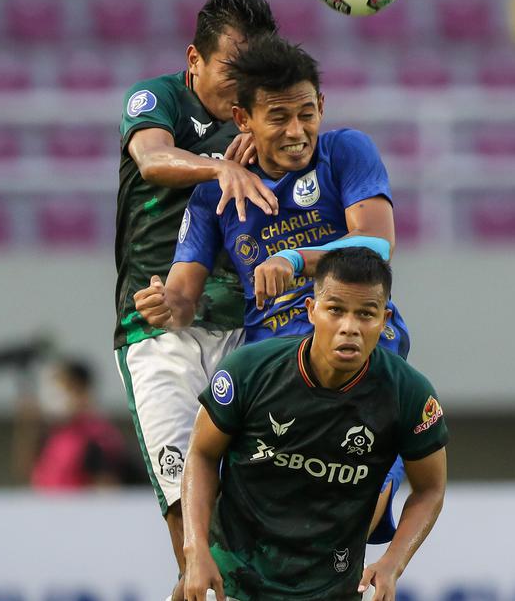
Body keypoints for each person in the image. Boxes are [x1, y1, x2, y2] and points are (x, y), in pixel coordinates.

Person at [133, 34, 410, 543]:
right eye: (279, 117)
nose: (297, 131)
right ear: (244, 120)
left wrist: (294, 259)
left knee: (358, 496)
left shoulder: (345, 152)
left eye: (307, 113)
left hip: (357, 344)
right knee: (246, 520)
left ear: (322, 105)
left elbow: (377, 247)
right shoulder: (213, 193)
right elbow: (182, 298)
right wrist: (162, 304)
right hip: (271, 365)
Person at [112, 0, 279, 587]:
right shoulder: (157, 98)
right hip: (160, 331)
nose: (243, 86)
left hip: (246, 331)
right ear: (195, 60)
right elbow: (153, 160)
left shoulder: (263, 118)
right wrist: (221, 165)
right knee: (192, 530)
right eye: (232, 69)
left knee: (250, 523)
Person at [183, 248, 448, 601]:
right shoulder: (250, 370)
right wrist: (195, 549)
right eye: (335, 310)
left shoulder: (408, 394)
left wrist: (392, 562)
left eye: (365, 314)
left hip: (330, 592)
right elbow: (201, 454)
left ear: (384, 321)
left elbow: (430, 488)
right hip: (230, 585)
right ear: (311, 311)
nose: (349, 327)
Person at [12, 358, 130, 490]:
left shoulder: (97, 436)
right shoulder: (55, 433)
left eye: (62, 388)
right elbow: (29, 471)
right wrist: (28, 423)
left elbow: (107, 488)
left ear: (82, 391)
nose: (55, 396)